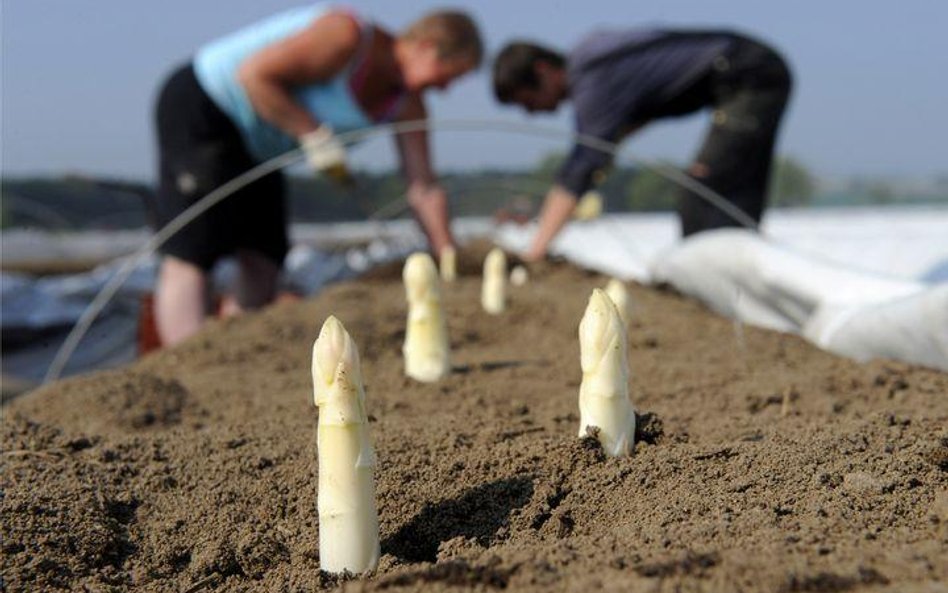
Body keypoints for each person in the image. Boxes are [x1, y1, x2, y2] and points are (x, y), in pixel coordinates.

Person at [153, 5, 482, 345]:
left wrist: (447, 256)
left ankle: (233, 345)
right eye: (449, 74)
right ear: (427, 46)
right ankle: (183, 352)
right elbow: (254, 76)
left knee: (265, 252)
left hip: (262, 147)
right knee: (193, 249)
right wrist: (314, 135)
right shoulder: (347, 35)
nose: (444, 88)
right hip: (208, 107)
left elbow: (424, 187)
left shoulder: (408, 104)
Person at [492, 28, 792, 261]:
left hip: (748, 74)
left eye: (528, 102)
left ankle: (725, 286)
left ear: (543, 71)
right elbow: (612, 136)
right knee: (728, 189)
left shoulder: (593, 81)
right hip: (744, 66)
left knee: (707, 192)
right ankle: (730, 280)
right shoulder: (594, 60)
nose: (532, 112)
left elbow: (581, 166)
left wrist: (537, 249)